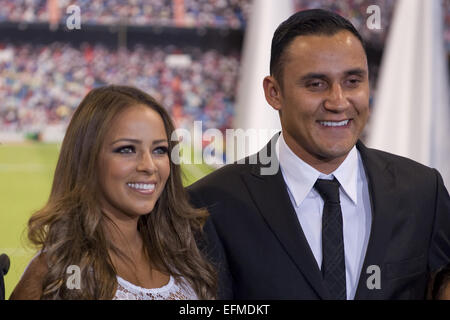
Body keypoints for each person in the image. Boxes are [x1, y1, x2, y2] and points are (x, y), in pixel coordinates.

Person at [187, 9, 450, 299]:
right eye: (316, 84)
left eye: (352, 81)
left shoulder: (423, 191)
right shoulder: (210, 204)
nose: (338, 102)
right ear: (274, 92)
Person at [10, 85, 217, 300]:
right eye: (126, 149)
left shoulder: (183, 257)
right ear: (87, 159)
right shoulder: (56, 272)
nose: (149, 166)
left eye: (159, 150)